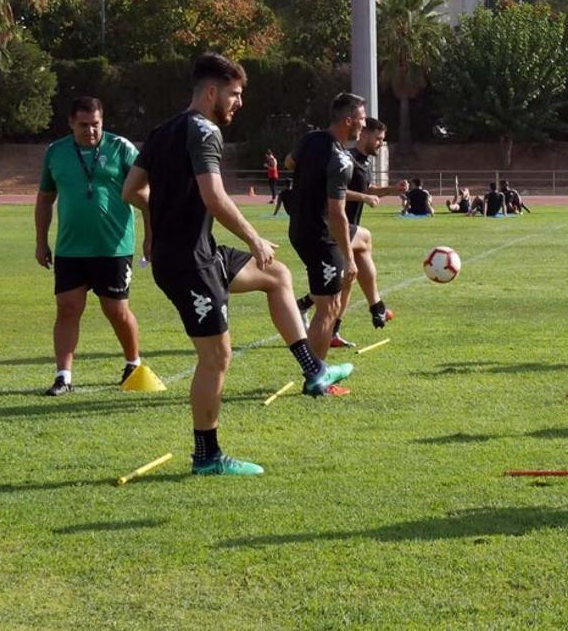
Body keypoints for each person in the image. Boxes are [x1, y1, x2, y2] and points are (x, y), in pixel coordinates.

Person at [123, 53, 352, 477]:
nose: (239, 103)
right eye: (235, 94)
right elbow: (214, 196)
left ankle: (313, 369)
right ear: (212, 92)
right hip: (189, 263)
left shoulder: (162, 130)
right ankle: (207, 456)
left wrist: (157, 219)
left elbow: (133, 190)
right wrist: (253, 237)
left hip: (200, 251)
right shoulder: (205, 131)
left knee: (277, 275)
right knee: (216, 356)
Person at [35, 96, 144, 396]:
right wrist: (40, 241)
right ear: (71, 123)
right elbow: (45, 198)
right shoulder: (56, 152)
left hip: (114, 247)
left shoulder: (121, 148)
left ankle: (133, 363)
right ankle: (63, 376)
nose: (91, 131)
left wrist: (151, 236)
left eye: (96, 124)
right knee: (67, 309)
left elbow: (146, 193)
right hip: (71, 248)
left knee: (116, 310)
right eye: (84, 125)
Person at [297, 117, 406, 348]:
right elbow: (340, 190)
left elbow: (366, 190)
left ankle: (325, 322)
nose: (380, 143)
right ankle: (376, 305)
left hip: (343, 228)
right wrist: (364, 197)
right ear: (364, 134)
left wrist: (391, 189)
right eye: (378, 138)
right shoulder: (346, 159)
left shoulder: (363, 163)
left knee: (346, 281)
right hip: (333, 226)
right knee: (365, 239)